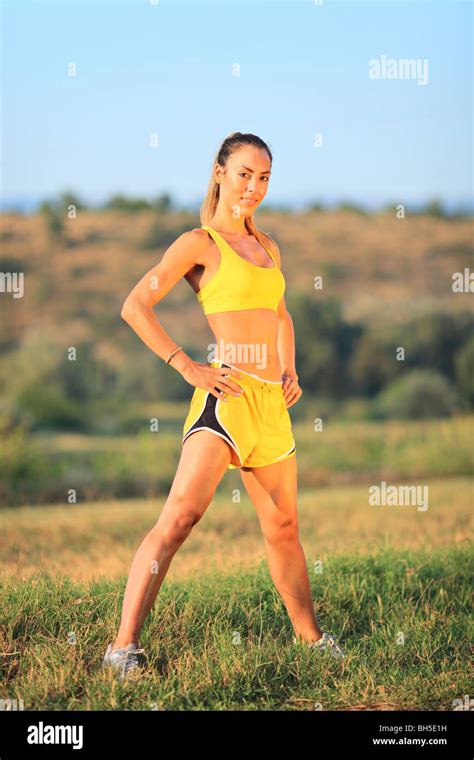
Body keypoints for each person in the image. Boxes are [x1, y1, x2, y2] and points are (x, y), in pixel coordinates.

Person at [102, 132, 345, 680]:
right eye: (244, 174)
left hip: (270, 408)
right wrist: (187, 366)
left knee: (284, 528)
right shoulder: (199, 243)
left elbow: (280, 314)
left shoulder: (269, 246)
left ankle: (312, 642)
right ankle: (123, 648)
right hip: (225, 398)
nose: (254, 187)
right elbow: (134, 305)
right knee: (181, 518)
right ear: (218, 172)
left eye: (263, 178)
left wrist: (289, 369)